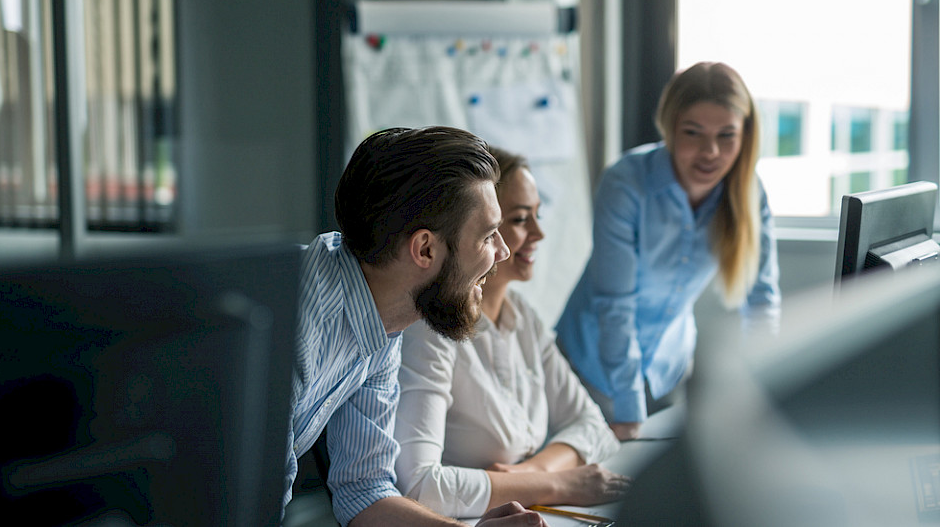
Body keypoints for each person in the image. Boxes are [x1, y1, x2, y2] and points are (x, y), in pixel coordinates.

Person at [288, 126, 551, 527]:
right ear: (425, 248)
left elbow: (364, 490)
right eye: (487, 236)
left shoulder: (383, 322)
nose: (503, 251)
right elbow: (246, 502)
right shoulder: (301, 320)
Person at [393, 145, 630, 519]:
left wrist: (528, 473)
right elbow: (420, 489)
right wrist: (559, 483)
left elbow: (592, 425)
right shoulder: (430, 329)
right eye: (520, 219)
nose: (538, 233)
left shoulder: (522, 317)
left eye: (537, 215)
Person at [556, 61, 781, 441]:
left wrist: (769, 392)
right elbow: (616, 304)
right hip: (590, 369)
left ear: (745, 136)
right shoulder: (626, 182)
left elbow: (761, 301)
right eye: (693, 133)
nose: (710, 152)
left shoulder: (748, 193)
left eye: (727, 135)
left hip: (668, 368)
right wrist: (628, 410)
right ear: (670, 127)